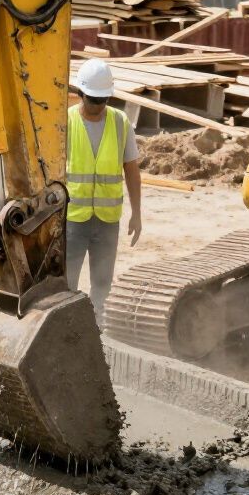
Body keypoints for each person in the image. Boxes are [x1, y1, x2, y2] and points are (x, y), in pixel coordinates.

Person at [65, 58, 142, 327]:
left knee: (102, 283)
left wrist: (137, 214)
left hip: (108, 219)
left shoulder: (120, 123)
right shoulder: (65, 122)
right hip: (73, 217)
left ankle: (97, 330)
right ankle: (70, 329)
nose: (98, 106)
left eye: (103, 100)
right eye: (94, 100)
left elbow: (132, 171)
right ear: (80, 94)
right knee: (67, 282)